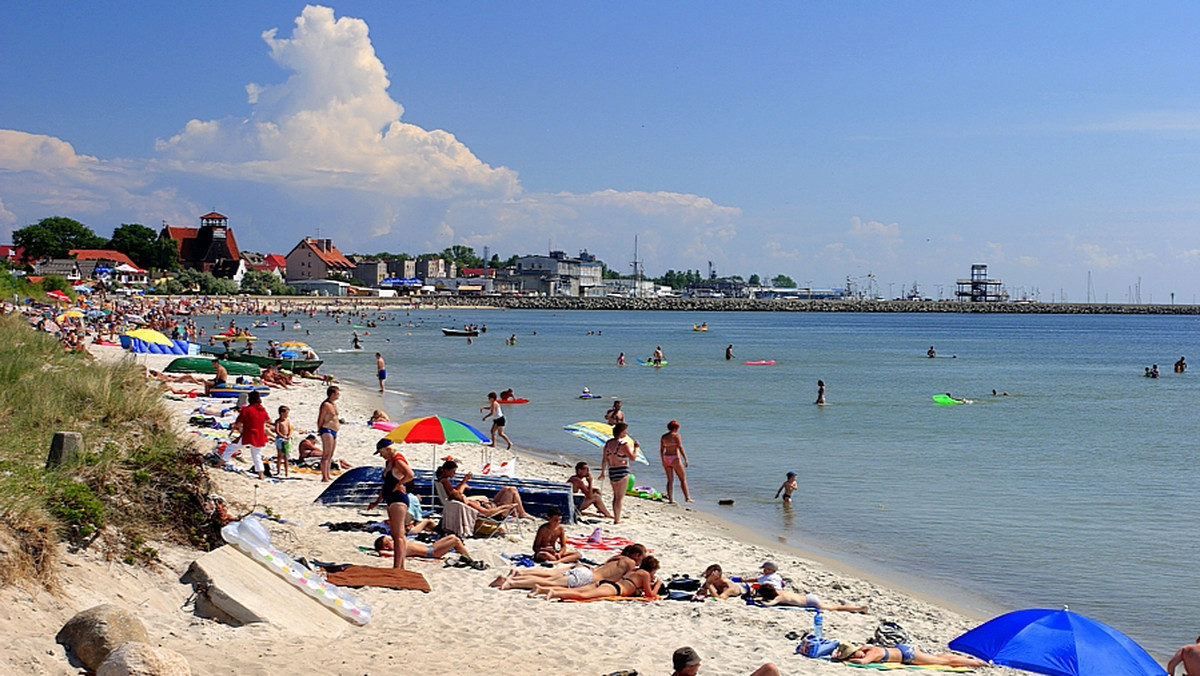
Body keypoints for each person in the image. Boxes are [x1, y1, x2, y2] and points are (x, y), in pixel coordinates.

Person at [492, 544, 646, 591]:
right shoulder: (631, 564)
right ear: (637, 555)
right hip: (588, 577)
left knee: (550, 577)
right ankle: (511, 583)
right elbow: (628, 581)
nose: (641, 561)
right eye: (642, 557)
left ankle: (517, 575)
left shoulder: (619, 557)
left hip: (585, 570)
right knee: (550, 583)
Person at [368, 439, 413, 569]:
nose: (381, 455)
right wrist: (376, 502)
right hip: (391, 499)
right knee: (395, 534)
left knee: (399, 535)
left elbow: (410, 474)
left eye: (381, 452)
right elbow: (386, 485)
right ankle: (399, 566)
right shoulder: (389, 462)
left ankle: (398, 566)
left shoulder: (398, 460)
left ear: (387, 449)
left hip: (398, 499)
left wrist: (399, 484)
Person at [436, 460, 529, 518]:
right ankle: (522, 512)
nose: (454, 474)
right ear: (446, 470)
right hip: (498, 512)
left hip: (492, 506)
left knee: (506, 488)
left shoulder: (443, 481)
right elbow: (487, 513)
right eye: (453, 472)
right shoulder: (445, 481)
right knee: (511, 490)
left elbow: (454, 493)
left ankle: (521, 512)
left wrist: (464, 482)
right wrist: (506, 507)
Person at [543, 556, 662, 601]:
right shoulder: (645, 574)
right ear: (651, 570)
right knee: (583, 596)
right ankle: (553, 593)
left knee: (577, 590)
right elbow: (650, 595)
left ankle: (544, 590)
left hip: (608, 583)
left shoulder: (635, 570)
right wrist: (657, 584)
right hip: (615, 589)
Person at [223, 390, 271, 480]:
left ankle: (219, 464)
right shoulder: (262, 410)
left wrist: (234, 428)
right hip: (259, 435)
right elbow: (269, 420)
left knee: (231, 448)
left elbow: (238, 423)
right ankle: (261, 476)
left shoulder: (247, 409)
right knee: (257, 455)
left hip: (248, 434)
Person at [600, 422, 640, 524]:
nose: (626, 432)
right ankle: (617, 519)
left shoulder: (608, 444)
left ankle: (616, 517)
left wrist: (602, 472)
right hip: (622, 470)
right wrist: (636, 448)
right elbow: (633, 458)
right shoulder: (623, 444)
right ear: (621, 432)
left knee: (615, 496)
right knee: (620, 497)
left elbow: (604, 460)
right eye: (625, 430)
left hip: (612, 471)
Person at [833, 643, 984, 667]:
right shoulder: (867, 648)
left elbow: (863, 662)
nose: (857, 656)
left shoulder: (871, 653)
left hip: (908, 656)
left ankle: (978, 663)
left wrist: (845, 659)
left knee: (941, 662)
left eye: (855, 654)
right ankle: (967, 659)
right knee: (938, 658)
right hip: (903, 650)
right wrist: (841, 656)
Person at [756, 583, 868, 613]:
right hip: (808, 597)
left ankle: (859, 608)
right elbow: (769, 599)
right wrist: (758, 599)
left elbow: (769, 604)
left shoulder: (779, 598)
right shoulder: (780, 592)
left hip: (810, 602)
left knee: (836, 608)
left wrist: (758, 602)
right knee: (833, 606)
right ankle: (859, 608)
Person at [672, 646, 780, 676]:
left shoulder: (680, 673)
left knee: (769, 668)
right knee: (770, 669)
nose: (699, 665)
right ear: (687, 667)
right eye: (696, 664)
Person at [373, 534, 474, 562]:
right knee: (455, 541)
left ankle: (464, 555)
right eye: (389, 541)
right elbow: (384, 554)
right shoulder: (398, 551)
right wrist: (382, 551)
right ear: (386, 547)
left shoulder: (398, 545)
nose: (392, 541)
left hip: (430, 547)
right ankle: (469, 558)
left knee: (452, 536)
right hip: (432, 553)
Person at [660, 420, 693, 504]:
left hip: (666, 457)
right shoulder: (676, 436)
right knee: (682, 479)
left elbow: (661, 449)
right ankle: (687, 497)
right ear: (675, 428)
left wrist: (662, 460)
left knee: (670, 480)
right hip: (675, 458)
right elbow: (680, 447)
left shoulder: (664, 437)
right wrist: (685, 458)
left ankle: (670, 499)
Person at [317, 385, 341, 482]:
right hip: (327, 429)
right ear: (332, 394)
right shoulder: (325, 405)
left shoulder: (333, 404)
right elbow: (321, 418)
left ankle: (327, 474)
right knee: (326, 454)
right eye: (337, 393)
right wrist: (319, 429)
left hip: (334, 430)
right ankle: (324, 476)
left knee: (331, 454)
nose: (338, 395)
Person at [272, 405, 292, 478]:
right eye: (286, 413)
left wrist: (289, 435)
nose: (287, 415)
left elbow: (290, 429)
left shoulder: (287, 421)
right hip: (280, 439)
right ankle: (278, 471)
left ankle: (286, 472)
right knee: (280, 455)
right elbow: (277, 431)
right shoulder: (278, 421)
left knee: (286, 456)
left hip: (286, 438)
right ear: (281, 413)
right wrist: (282, 436)